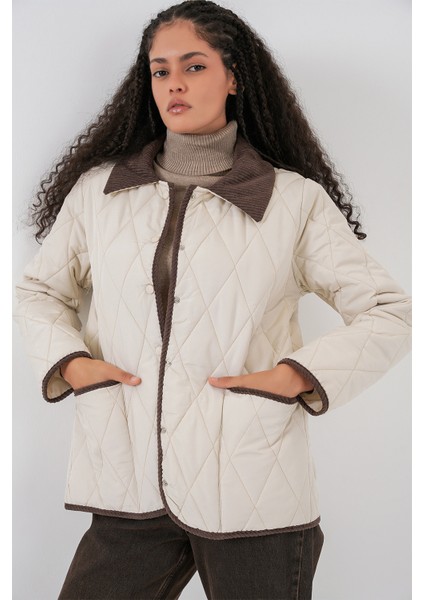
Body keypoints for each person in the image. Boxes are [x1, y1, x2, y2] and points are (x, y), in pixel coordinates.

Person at [14, 0, 412, 598]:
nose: (174, 83)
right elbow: (40, 291)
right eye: (160, 70)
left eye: (194, 66)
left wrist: (296, 376)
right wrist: (71, 364)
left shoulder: (293, 201)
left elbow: (389, 311)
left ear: (233, 78)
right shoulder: (101, 194)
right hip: (129, 480)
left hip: (252, 482)